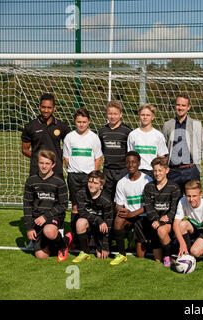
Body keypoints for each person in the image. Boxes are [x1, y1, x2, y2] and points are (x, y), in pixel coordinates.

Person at [23, 150, 72, 261]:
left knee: (49, 231)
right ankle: (63, 240)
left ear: (53, 164)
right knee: (41, 256)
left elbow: (63, 205)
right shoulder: (31, 181)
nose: (44, 166)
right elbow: (27, 205)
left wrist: (46, 216)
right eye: (41, 163)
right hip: (37, 219)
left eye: (47, 163)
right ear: (37, 163)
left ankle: (63, 246)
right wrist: (29, 228)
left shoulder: (59, 182)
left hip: (53, 217)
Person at [63, 108, 103, 242]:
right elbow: (66, 158)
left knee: (89, 205)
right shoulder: (69, 137)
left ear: (89, 122)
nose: (81, 124)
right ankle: (75, 237)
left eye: (84, 122)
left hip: (88, 177)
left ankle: (89, 236)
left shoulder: (94, 137)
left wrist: (93, 175)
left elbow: (98, 158)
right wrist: (73, 170)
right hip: (74, 176)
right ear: (75, 122)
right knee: (75, 206)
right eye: (79, 122)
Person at [110, 151, 152, 265]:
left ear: (139, 163)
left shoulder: (147, 180)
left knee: (140, 255)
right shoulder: (121, 182)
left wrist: (132, 214)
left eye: (133, 162)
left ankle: (141, 241)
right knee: (118, 220)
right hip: (129, 216)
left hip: (143, 216)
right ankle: (121, 254)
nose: (130, 165)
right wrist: (120, 210)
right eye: (128, 162)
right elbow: (118, 204)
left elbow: (150, 206)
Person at [143, 156, 182, 267]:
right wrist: (157, 220)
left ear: (167, 170)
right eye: (155, 170)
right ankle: (165, 251)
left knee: (161, 230)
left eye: (160, 170)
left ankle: (168, 256)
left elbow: (174, 209)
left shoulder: (174, 187)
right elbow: (149, 208)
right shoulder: (148, 187)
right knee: (157, 260)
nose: (157, 173)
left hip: (168, 224)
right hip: (154, 223)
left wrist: (162, 222)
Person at [162, 94, 203, 195]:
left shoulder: (196, 124)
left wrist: (196, 163)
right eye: (178, 105)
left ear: (188, 107)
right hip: (173, 171)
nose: (180, 108)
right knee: (174, 202)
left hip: (191, 169)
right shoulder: (167, 125)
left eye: (183, 105)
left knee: (192, 202)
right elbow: (163, 147)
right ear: (175, 106)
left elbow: (202, 146)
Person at [21, 93, 70, 178]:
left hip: (56, 169)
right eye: (43, 107)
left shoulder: (62, 126)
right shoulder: (30, 126)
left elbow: (70, 145)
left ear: (54, 108)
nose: (46, 110)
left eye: (49, 108)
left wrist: (57, 156)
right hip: (36, 170)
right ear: (39, 107)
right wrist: (40, 160)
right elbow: (25, 149)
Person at [173, 180, 203, 268]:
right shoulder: (182, 201)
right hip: (195, 227)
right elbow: (175, 224)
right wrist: (182, 243)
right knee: (181, 225)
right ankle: (186, 252)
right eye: (188, 196)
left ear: (200, 194)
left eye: (194, 196)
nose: (191, 199)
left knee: (195, 251)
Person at [72, 170, 114, 263]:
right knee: (80, 222)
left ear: (101, 185)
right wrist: (98, 220)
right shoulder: (81, 193)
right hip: (89, 225)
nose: (92, 185)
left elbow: (109, 223)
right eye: (90, 181)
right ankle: (84, 252)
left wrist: (105, 246)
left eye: (95, 183)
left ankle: (97, 245)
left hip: (101, 229)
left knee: (101, 256)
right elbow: (82, 212)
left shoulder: (106, 200)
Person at [98, 100, 132, 201]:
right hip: (108, 170)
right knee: (108, 199)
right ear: (106, 114)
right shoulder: (102, 131)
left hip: (122, 170)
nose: (112, 116)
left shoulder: (127, 131)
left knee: (122, 198)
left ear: (120, 114)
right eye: (110, 113)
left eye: (115, 114)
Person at [127, 103, 168, 179]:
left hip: (152, 171)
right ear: (139, 116)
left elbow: (162, 157)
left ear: (152, 117)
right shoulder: (133, 134)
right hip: (137, 171)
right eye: (142, 115)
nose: (145, 117)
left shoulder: (158, 135)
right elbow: (130, 156)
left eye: (148, 115)